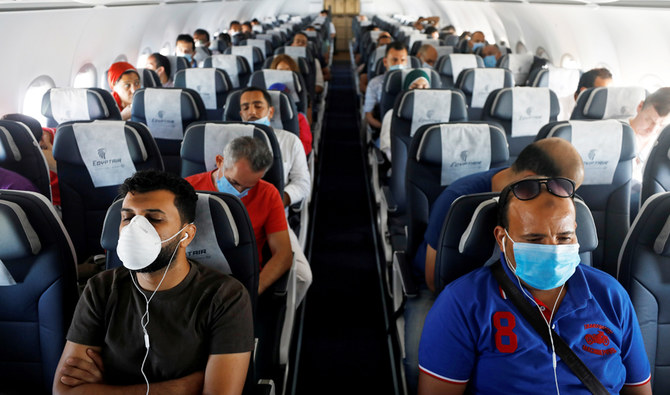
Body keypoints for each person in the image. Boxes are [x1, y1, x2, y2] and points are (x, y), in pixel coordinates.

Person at [417, 176, 652, 394]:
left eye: (564, 237)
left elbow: (639, 389)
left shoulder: (610, 296)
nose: (553, 249)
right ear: (502, 238)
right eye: (535, 239)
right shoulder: (462, 304)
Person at [404, 138, 585, 395]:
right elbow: (434, 279)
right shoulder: (457, 198)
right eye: (560, 188)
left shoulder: (606, 294)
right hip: (444, 291)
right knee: (416, 362)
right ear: (533, 180)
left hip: (526, 289)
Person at [53, 170, 254, 394]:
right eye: (128, 217)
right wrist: (182, 388)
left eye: (154, 219)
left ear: (186, 235)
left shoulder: (226, 297)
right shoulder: (100, 289)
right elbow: (64, 391)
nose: (134, 229)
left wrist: (103, 389)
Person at [185, 137, 293, 296]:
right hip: (190, 276)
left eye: (248, 187)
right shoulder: (187, 188)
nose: (239, 191)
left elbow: (283, 254)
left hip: (240, 281)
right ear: (220, 161)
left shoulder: (268, 194)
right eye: (234, 183)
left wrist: (254, 290)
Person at [379, 69, 431, 160]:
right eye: (414, 87)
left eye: (424, 87)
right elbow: (391, 153)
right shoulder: (392, 115)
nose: (419, 92)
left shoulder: (439, 114)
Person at [364, 41, 408, 131]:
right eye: (394, 60)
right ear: (385, 62)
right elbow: (368, 115)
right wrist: (385, 129)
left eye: (402, 60)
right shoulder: (374, 83)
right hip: (384, 130)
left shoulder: (414, 83)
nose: (399, 64)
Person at [630, 87, 670, 183]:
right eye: (649, 120)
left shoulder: (661, 143)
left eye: (661, 125)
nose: (653, 130)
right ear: (640, 106)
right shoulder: (617, 133)